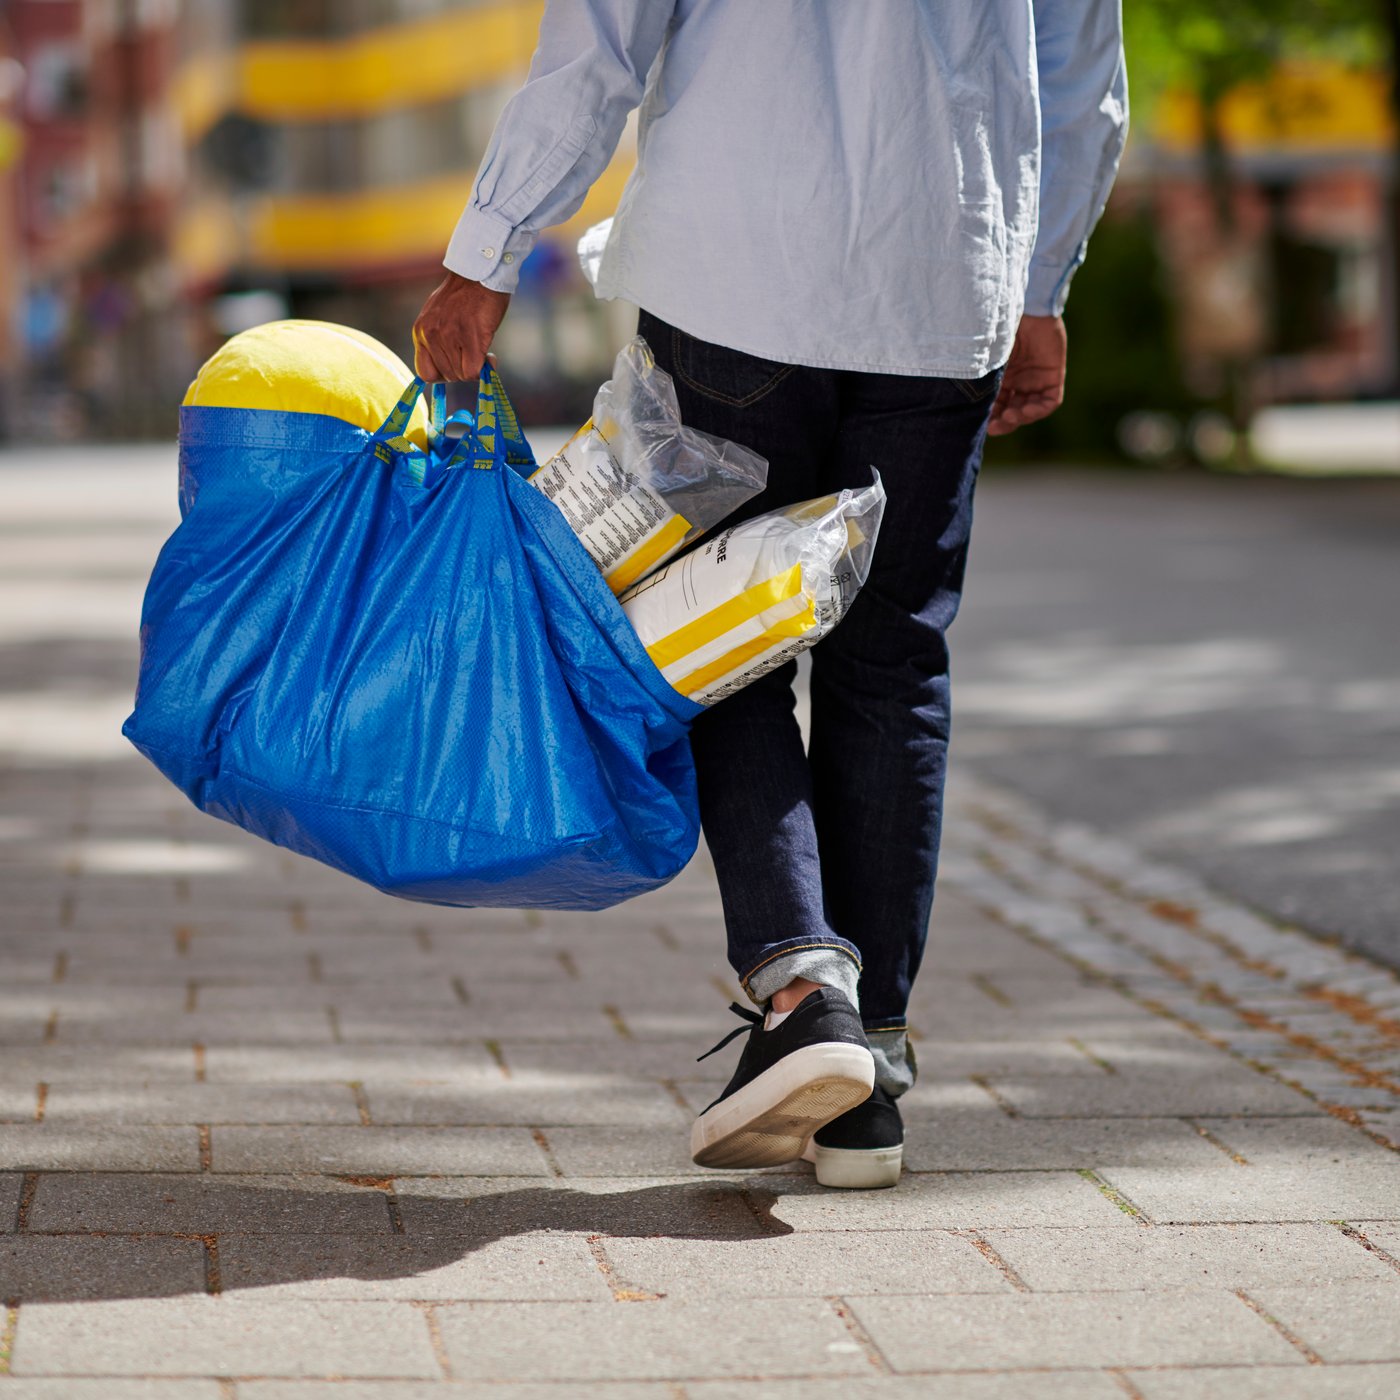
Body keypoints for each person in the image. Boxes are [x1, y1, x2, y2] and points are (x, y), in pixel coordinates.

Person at [414, 0, 1127, 1188]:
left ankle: (805, 991)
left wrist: (486, 253)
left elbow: (598, 41)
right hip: (938, 277)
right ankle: (869, 1075)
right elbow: (1077, 71)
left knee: (713, 642)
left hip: (734, 275)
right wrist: (1042, 281)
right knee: (889, 662)